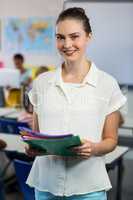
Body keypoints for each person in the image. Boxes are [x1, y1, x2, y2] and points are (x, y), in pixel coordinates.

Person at [26, 7, 127, 200]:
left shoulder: (107, 84)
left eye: (74, 36)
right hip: (46, 185)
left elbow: (111, 140)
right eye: (60, 37)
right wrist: (33, 148)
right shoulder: (41, 83)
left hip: (88, 188)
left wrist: (94, 148)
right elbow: (37, 135)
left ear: (88, 37)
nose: (67, 44)